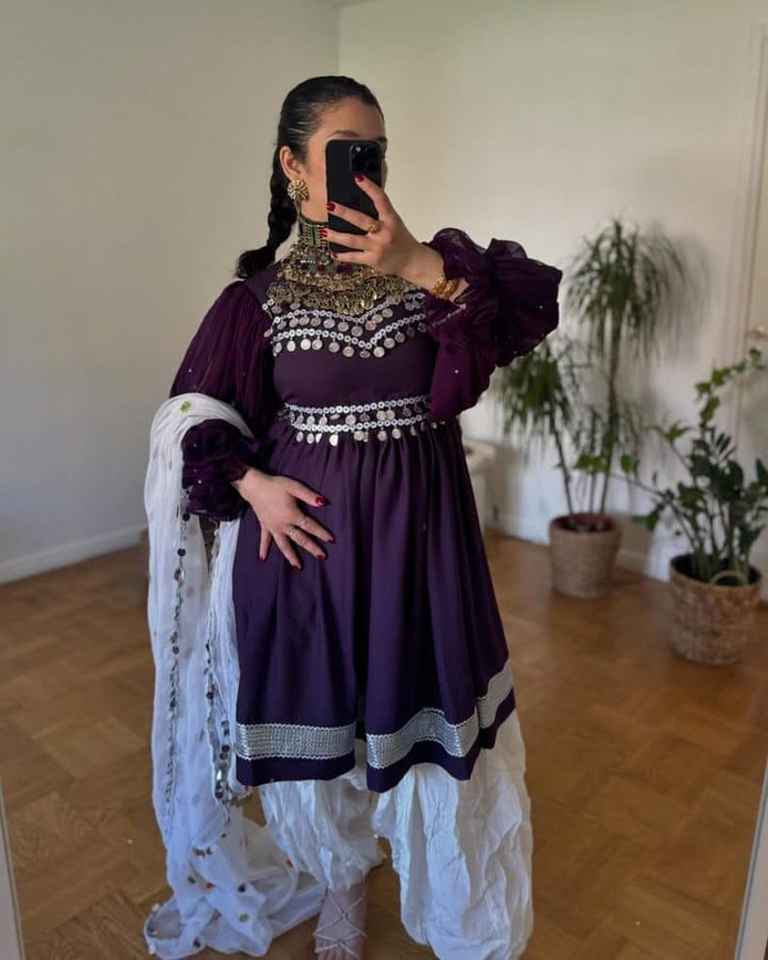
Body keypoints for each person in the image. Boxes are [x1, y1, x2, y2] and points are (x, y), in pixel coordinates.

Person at [143, 75, 562, 960]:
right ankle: (339, 877)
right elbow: (191, 418)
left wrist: (418, 264)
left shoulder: (436, 275)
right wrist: (252, 485)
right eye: (344, 154)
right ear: (293, 166)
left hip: (424, 549)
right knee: (326, 731)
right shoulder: (255, 302)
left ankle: (451, 895)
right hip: (307, 557)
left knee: (430, 726)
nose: (366, 173)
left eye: (375, 153)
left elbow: (518, 324)